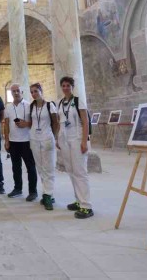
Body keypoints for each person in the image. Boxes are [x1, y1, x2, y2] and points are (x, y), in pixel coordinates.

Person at [56, 76, 94, 219]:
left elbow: (85, 121)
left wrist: (84, 141)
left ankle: (87, 206)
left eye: (68, 85)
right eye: (63, 85)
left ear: (72, 87)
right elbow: (60, 122)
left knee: (80, 171)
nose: (66, 88)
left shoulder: (78, 101)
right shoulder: (60, 103)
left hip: (77, 139)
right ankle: (79, 200)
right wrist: (58, 138)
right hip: (64, 139)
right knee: (71, 170)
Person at [26, 83, 59, 211]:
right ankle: (47, 193)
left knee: (49, 167)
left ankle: (48, 195)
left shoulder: (50, 105)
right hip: (35, 139)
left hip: (47, 138)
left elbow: (56, 122)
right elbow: (32, 122)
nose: (34, 94)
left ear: (41, 91)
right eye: (32, 92)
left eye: (36, 91)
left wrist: (55, 137)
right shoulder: (31, 107)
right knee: (40, 168)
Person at [4, 83, 37, 201]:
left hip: (27, 141)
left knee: (30, 167)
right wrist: (6, 140)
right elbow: (6, 124)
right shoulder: (8, 107)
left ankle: (33, 191)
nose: (16, 93)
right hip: (13, 141)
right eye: (13, 91)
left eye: (18, 90)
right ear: (11, 93)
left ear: (22, 92)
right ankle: (17, 188)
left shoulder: (29, 105)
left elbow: (35, 122)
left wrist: (26, 124)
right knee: (16, 167)